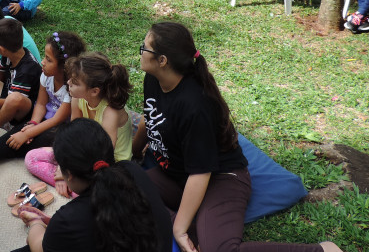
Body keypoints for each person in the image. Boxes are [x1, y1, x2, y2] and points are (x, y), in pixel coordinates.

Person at [135, 22, 343, 252]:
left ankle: (324, 250)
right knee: (121, 183)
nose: (141, 51)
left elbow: (200, 173)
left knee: (221, 250)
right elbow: (151, 114)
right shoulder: (154, 79)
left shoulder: (195, 105)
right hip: (178, 176)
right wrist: (134, 152)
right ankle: (199, 228)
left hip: (218, 178)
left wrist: (179, 229)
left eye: (145, 47)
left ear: (162, 60)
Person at [14, 119, 173, 252]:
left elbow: (39, 246)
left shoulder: (67, 220)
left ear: (68, 174)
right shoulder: (132, 170)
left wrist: (35, 222)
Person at [0, 31, 85, 178]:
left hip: (60, 128)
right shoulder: (46, 76)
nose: (42, 61)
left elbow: (57, 120)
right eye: (44, 57)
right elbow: (41, 104)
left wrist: (29, 133)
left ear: (64, 66)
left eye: (48, 59)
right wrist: (33, 124)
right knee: (18, 132)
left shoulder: (70, 88)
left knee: (30, 139)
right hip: (43, 120)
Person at [25, 52, 133, 196]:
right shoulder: (77, 97)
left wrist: (70, 173)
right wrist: (63, 169)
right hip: (85, 152)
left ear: (94, 91)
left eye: (75, 82)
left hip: (109, 164)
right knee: (31, 158)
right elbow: (74, 136)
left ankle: (79, 191)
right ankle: (76, 188)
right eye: (70, 79)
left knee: (100, 192)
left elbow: (104, 155)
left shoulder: (110, 112)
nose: (68, 83)